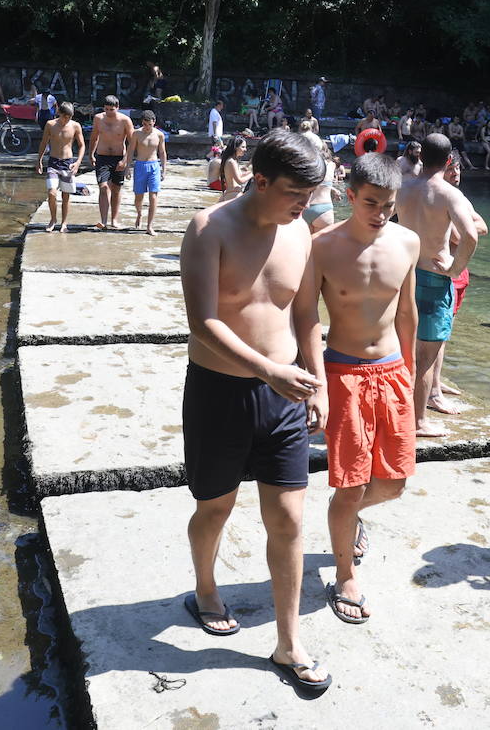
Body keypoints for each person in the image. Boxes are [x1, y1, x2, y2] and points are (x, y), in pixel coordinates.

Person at [178, 128, 331, 694]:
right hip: (220, 393)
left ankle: (288, 641)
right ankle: (205, 588)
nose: (303, 205)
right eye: (294, 193)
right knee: (215, 508)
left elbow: (306, 312)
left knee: (290, 519)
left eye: (309, 195)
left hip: (285, 396)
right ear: (258, 180)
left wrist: (316, 384)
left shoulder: (301, 234)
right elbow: (204, 322)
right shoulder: (208, 228)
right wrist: (268, 370)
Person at [309, 153, 420, 625]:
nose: (380, 213)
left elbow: (407, 312)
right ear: (349, 195)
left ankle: (349, 517)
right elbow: (305, 317)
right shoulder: (323, 246)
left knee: (394, 482)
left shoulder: (407, 241)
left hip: (392, 369)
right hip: (342, 372)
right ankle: (344, 573)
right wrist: (314, 381)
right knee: (350, 482)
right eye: (371, 202)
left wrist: (413, 378)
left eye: (388, 205)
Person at [395, 133, 479, 438]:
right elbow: (471, 235)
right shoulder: (448, 193)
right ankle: (418, 422)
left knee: (399, 349)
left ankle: (393, 411)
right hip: (433, 277)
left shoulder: (401, 185)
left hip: (402, 274)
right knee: (426, 356)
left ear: (420, 157)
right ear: (447, 161)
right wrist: (455, 268)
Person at [429, 151, 488, 414]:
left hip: (459, 273)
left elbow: (483, 226)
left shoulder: (459, 199)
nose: (456, 175)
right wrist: (467, 226)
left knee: (445, 332)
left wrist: (467, 226)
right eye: (451, 170)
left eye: (459, 170)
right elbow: (456, 237)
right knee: (436, 336)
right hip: (447, 271)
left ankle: (437, 382)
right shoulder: (441, 198)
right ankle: (433, 391)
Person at [35, 102, 85, 232]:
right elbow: (44, 142)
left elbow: (82, 145)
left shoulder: (75, 126)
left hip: (68, 163)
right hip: (53, 162)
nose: (66, 119)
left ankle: (64, 223)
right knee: (51, 192)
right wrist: (39, 160)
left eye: (69, 117)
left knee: (66, 196)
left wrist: (78, 162)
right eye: (64, 117)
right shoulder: (50, 125)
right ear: (59, 114)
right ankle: (53, 219)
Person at [89, 95, 133, 229]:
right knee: (103, 187)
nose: (109, 112)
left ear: (117, 108)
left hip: (119, 158)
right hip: (102, 157)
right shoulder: (98, 118)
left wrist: (126, 162)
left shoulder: (125, 120)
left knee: (116, 189)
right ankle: (103, 220)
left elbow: (132, 143)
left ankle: (114, 219)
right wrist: (91, 154)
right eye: (107, 109)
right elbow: (94, 137)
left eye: (112, 110)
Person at [129, 110, 168, 235]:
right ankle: (139, 213)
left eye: (149, 125)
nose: (147, 128)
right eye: (145, 125)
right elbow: (130, 152)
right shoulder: (136, 134)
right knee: (138, 197)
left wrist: (164, 170)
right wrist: (127, 168)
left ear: (154, 122)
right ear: (142, 123)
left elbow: (162, 153)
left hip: (154, 166)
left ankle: (150, 226)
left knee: (153, 197)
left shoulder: (159, 135)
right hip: (140, 166)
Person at [302, 130, 338, 231]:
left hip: (305, 206)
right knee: (323, 246)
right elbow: (324, 182)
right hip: (324, 207)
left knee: (304, 245)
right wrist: (332, 189)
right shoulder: (332, 165)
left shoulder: (306, 165)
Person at [218, 137, 252, 202]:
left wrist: (247, 173)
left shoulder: (233, 160)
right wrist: (252, 173)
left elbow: (238, 176)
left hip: (231, 194)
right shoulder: (231, 161)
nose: (245, 149)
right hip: (233, 195)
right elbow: (240, 181)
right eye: (243, 147)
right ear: (236, 147)